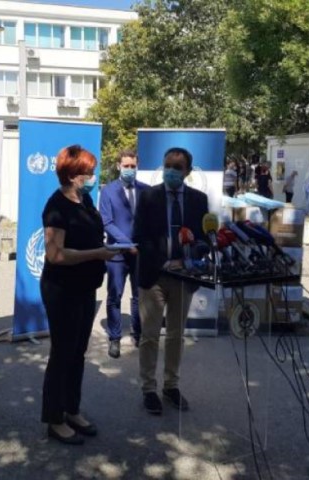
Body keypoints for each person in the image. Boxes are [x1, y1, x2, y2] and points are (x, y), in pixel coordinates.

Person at [40, 144, 124, 445]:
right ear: (73, 175)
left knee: (77, 352)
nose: (93, 176)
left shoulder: (85, 200)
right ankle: (54, 419)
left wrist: (107, 248)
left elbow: (91, 237)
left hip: (86, 287)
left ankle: (71, 409)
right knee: (62, 353)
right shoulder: (56, 207)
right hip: (62, 289)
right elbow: (56, 255)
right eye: (89, 172)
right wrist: (97, 254)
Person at [133, 147, 209, 415]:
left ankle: (171, 386)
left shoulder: (199, 199)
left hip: (183, 277)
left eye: (177, 167)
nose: (171, 171)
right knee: (150, 336)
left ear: (187, 171)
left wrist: (189, 259)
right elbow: (139, 236)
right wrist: (164, 262)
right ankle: (148, 389)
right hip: (153, 276)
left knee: (176, 335)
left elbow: (203, 239)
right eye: (168, 166)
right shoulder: (148, 197)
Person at [98, 150, 149, 358]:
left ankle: (138, 334)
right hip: (117, 253)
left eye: (133, 166)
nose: (129, 169)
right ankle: (114, 338)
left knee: (139, 296)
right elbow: (107, 222)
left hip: (139, 253)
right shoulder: (108, 191)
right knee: (114, 296)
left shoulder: (146, 191)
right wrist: (127, 244)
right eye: (126, 166)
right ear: (119, 166)